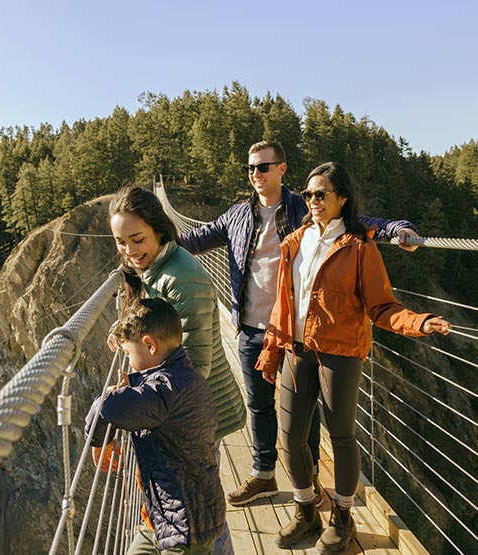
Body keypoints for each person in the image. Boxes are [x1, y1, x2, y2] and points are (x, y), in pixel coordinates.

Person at [179, 141, 421, 507]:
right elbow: (195, 240)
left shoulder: (303, 208)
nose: (255, 175)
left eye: (263, 167)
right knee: (259, 406)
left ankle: (307, 482)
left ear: (282, 169)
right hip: (250, 327)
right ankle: (264, 475)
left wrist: (397, 230)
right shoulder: (236, 215)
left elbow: (357, 224)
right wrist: (150, 249)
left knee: (301, 416)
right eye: (250, 169)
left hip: (295, 331)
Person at [255, 161, 451, 553]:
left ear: (342, 199)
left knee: (341, 436)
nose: (312, 201)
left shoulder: (360, 247)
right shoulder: (295, 241)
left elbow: (382, 306)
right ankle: (306, 510)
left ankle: (342, 517)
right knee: (291, 438)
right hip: (297, 350)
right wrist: (273, 348)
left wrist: (420, 322)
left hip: (340, 354)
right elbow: (283, 303)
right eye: (308, 194)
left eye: (321, 194)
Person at [108, 186, 246, 554]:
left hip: (196, 412)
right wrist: (123, 332)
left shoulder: (183, 278)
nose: (129, 251)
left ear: (160, 231)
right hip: (183, 409)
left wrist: (139, 402)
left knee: (199, 516)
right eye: (120, 242)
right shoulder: (155, 267)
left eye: (137, 239)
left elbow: (196, 367)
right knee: (201, 512)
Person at [85, 297, 226, 554]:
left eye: (128, 353)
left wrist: (100, 442)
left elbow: (108, 407)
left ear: (149, 345)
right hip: (163, 519)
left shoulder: (164, 390)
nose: (127, 363)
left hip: (186, 527)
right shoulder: (182, 376)